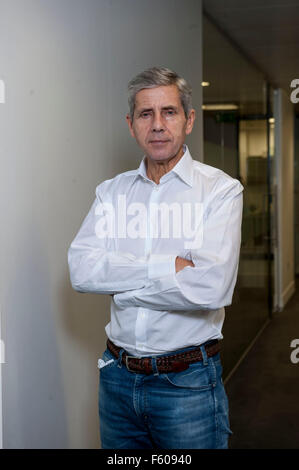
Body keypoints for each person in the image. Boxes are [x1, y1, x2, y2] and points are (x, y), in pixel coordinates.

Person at [67, 66, 244, 449]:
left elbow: (211, 288)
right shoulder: (111, 193)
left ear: (189, 120)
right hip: (117, 379)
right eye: (146, 114)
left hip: (188, 383)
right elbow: (82, 271)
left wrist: (120, 284)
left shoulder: (220, 191)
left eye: (169, 112)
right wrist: (170, 268)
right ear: (131, 125)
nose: (158, 125)